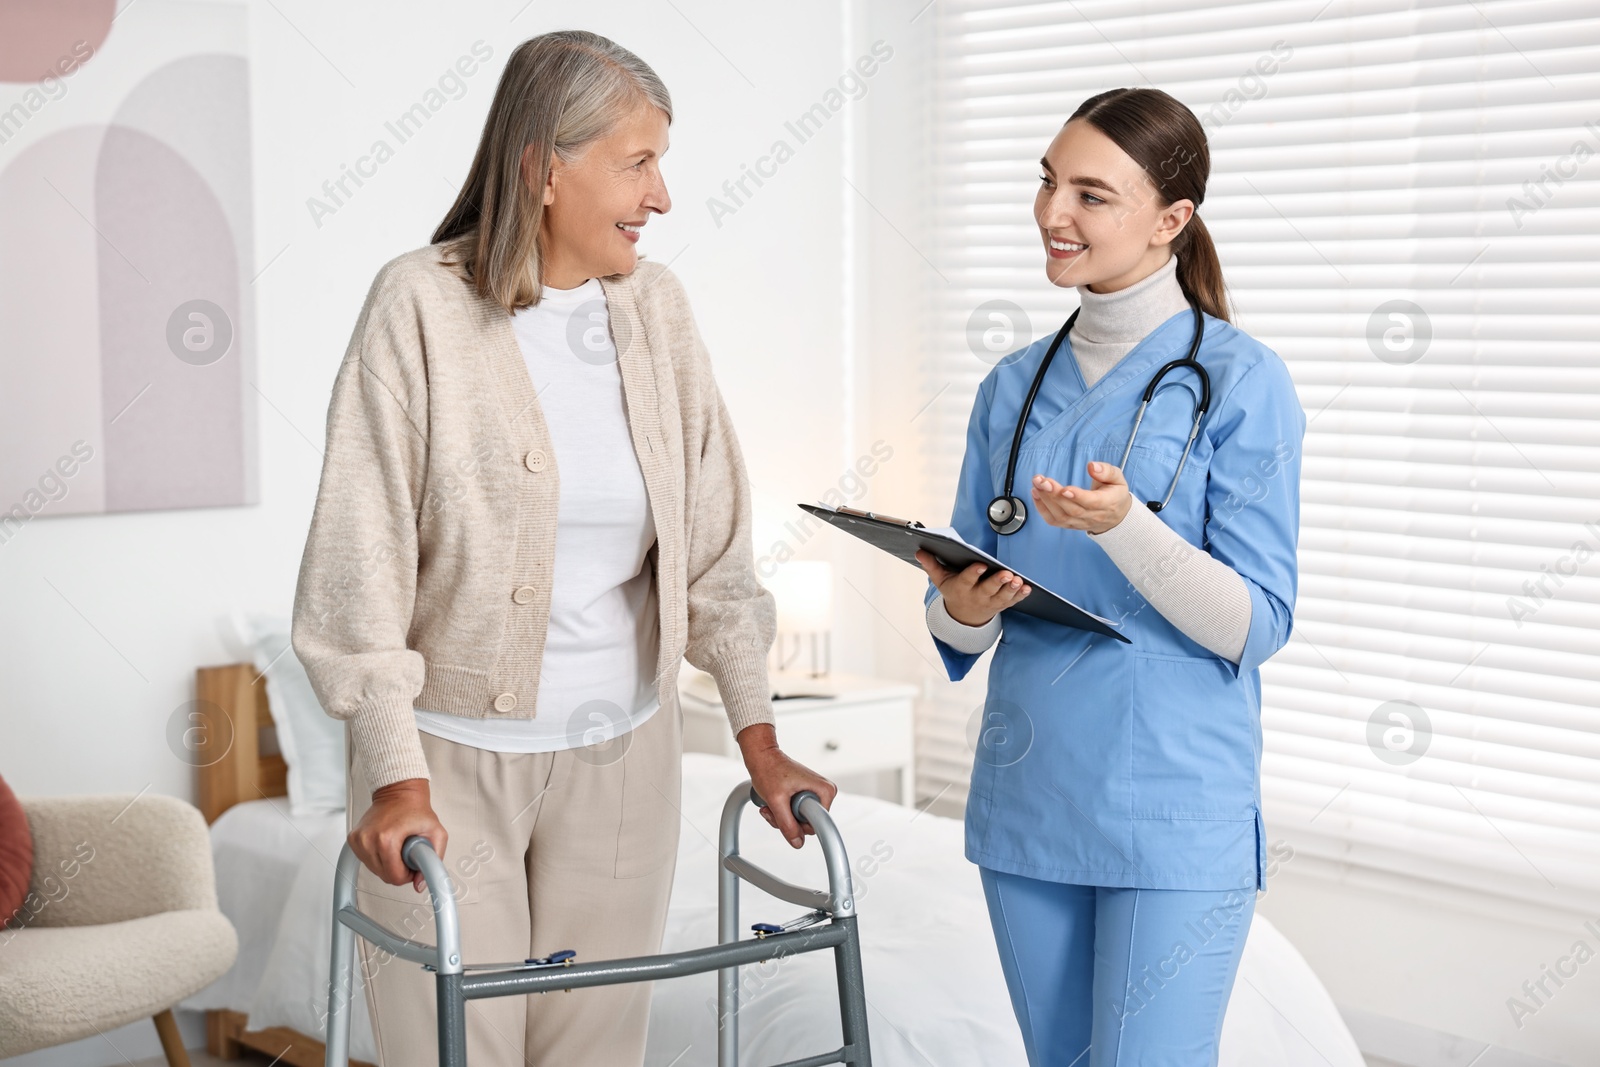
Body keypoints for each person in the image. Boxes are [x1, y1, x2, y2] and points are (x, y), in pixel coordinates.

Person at [290, 30, 836, 1067]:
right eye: (638, 162)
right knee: (451, 1048)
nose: (662, 196)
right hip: (449, 768)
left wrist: (758, 733)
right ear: (545, 165)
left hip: (626, 754)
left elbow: (715, 550)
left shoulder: (658, 312)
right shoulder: (417, 306)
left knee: (595, 1049)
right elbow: (355, 568)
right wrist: (394, 774)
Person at [915, 87, 1305, 1066]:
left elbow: (1255, 623)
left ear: (1170, 220)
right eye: (1048, 182)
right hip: (1030, 792)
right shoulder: (1012, 384)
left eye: (1091, 193)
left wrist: (1128, 527)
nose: (1053, 213)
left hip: (1173, 801)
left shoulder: (1243, 380)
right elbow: (961, 600)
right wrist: (959, 609)